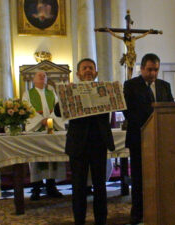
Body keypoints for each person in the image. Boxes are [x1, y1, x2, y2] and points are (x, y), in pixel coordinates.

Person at [123, 53, 174, 224]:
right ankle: (137, 212)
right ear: (142, 68)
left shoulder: (164, 86)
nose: (153, 73)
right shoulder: (130, 85)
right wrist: (149, 123)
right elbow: (127, 111)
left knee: (160, 176)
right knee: (139, 178)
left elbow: (170, 109)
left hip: (161, 140)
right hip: (139, 139)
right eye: (150, 69)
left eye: (156, 70)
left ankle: (160, 208)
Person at [65, 58, 115, 225]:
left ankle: (101, 221)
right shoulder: (70, 90)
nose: (88, 71)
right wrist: (66, 96)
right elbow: (59, 110)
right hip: (77, 145)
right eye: (84, 68)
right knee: (78, 187)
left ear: (96, 73)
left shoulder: (105, 90)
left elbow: (118, 103)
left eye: (91, 68)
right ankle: (79, 221)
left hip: (99, 144)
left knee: (100, 187)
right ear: (78, 73)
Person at [22, 71, 66, 201]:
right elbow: (27, 109)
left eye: (44, 76)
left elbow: (58, 108)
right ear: (34, 79)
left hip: (51, 130)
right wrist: (40, 120)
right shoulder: (28, 94)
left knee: (52, 157)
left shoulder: (52, 93)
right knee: (37, 158)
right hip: (36, 130)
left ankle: (51, 186)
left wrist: (50, 120)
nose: (42, 77)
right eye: (39, 75)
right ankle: (36, 188)